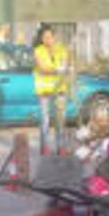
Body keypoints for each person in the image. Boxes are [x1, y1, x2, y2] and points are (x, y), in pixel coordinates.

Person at [33, 25, 70, 156]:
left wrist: (64, 68)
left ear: (54, 37)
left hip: (59, 90)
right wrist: (57, 69)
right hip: (44, 92)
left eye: (49, 36)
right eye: (44, 37)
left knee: (60, 120)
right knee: (45, 120)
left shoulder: (62, 50)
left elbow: (65, 66)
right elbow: (43, 68)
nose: (47, 39)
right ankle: (45, 148)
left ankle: (61, 147)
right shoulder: (38, 51)